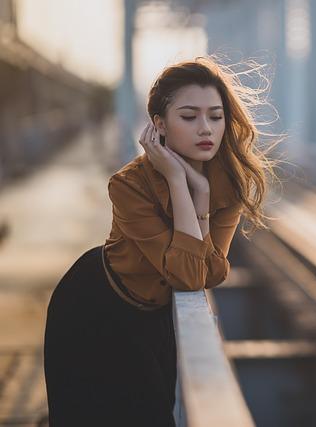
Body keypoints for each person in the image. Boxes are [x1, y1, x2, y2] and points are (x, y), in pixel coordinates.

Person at [43, 55, 278, 426]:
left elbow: (209, 273)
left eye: (215, 116)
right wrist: (179, 181)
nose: (206, 129)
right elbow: (189, 272)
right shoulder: (128, 185)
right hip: (94, 306)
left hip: (153, 319)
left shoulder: (228, 184)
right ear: (159, 126)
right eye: (189, 116)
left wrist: (199, 192)